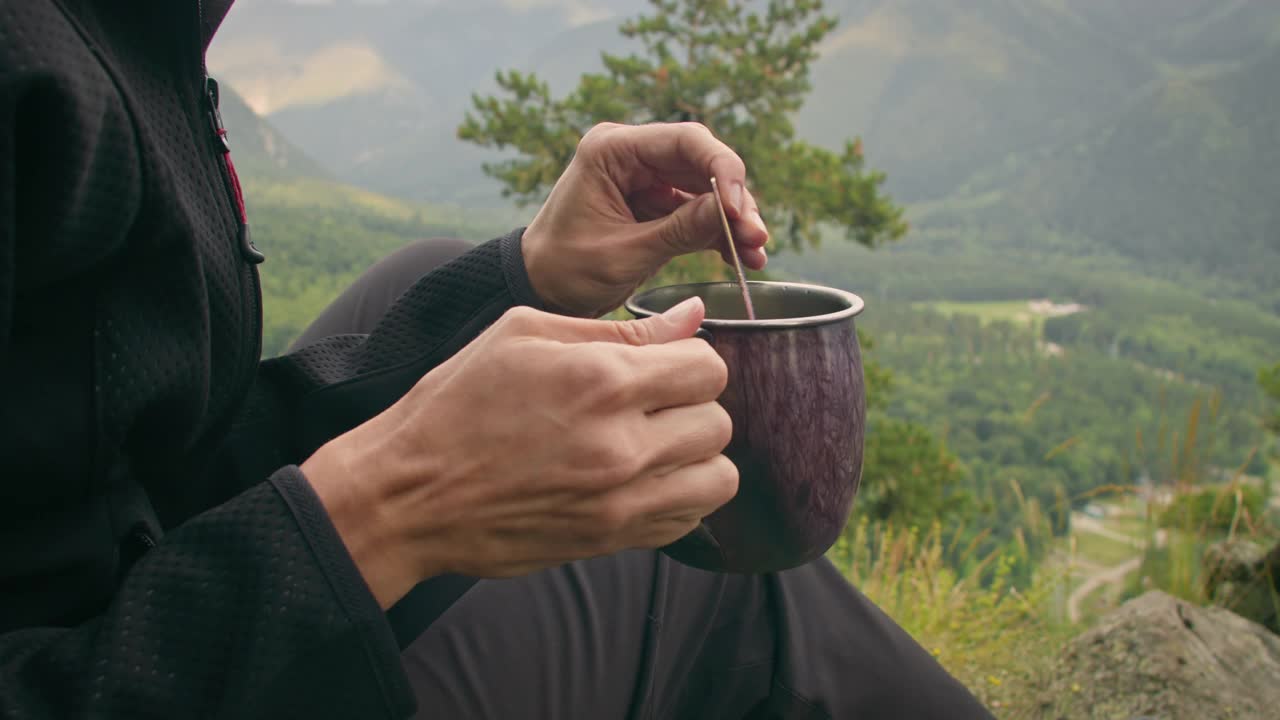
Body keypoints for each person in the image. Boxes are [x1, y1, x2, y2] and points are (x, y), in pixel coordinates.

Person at [0, 1, 995, 718]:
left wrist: (520, 280)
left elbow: (135, 464)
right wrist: (379, 518)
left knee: (440, 280)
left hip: (165, 602)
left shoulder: (132, 28)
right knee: (707, 573)